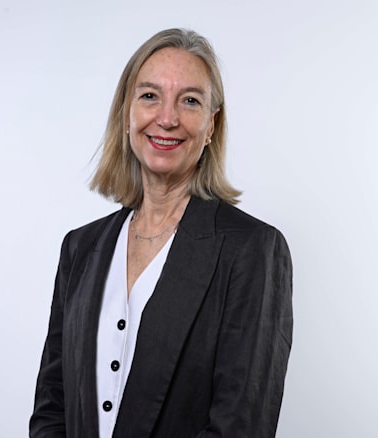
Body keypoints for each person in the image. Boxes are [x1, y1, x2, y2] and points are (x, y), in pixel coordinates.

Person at [30, 28, 293, 438]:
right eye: (150, 95)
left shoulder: (252, 250)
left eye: (190, 101)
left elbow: (241, 424)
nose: (167, 118)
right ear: (126, 113)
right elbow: (51, 405)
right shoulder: (80, 248)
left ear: (210, 125)